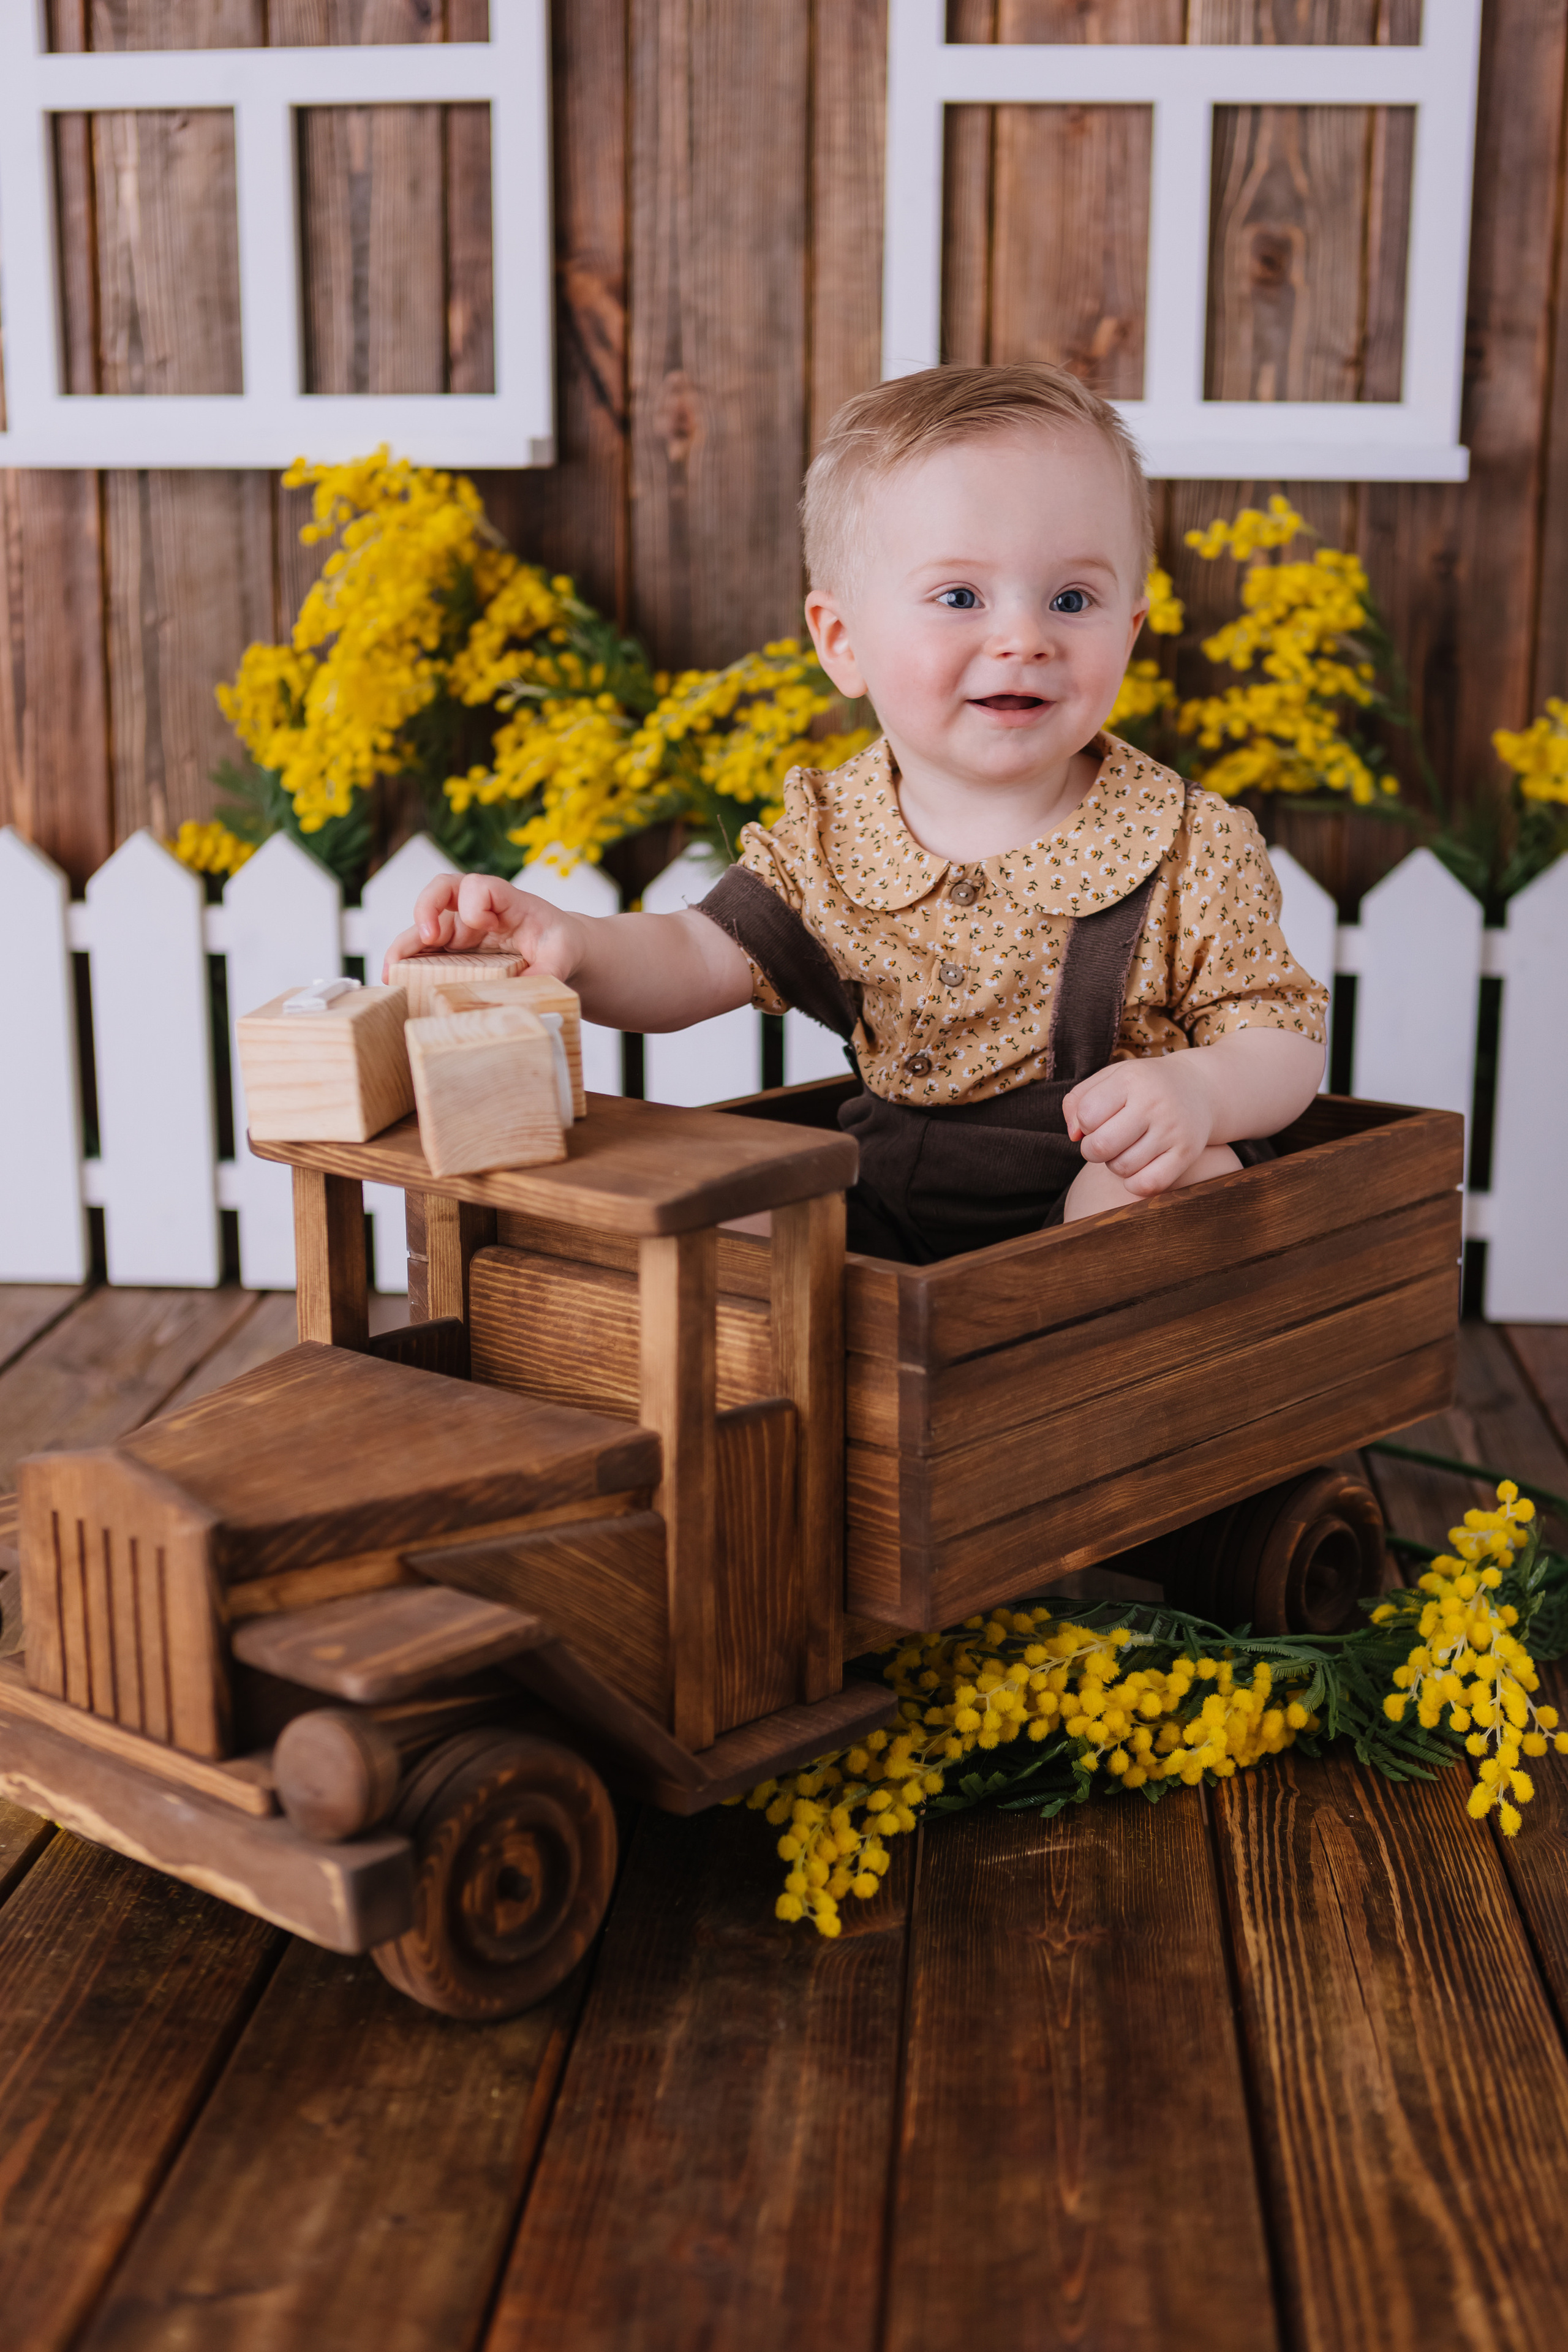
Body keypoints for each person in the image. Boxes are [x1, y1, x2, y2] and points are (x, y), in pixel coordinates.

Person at [385, 364, 1329, 1265]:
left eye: (1072, 599)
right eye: (960, 596)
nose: (1024, 638)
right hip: (881, 1204)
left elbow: (1282, 1037)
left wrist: (1200, 1091)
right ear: (843, 642)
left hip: (1095, 1202)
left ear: (1128, 631)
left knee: (1174, 1185)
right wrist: (576, 949)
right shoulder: (835, 838)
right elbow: (692, 955)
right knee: (706, 1217)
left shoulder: (1186, 843)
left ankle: (1063, 1406)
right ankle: (792, 1396)